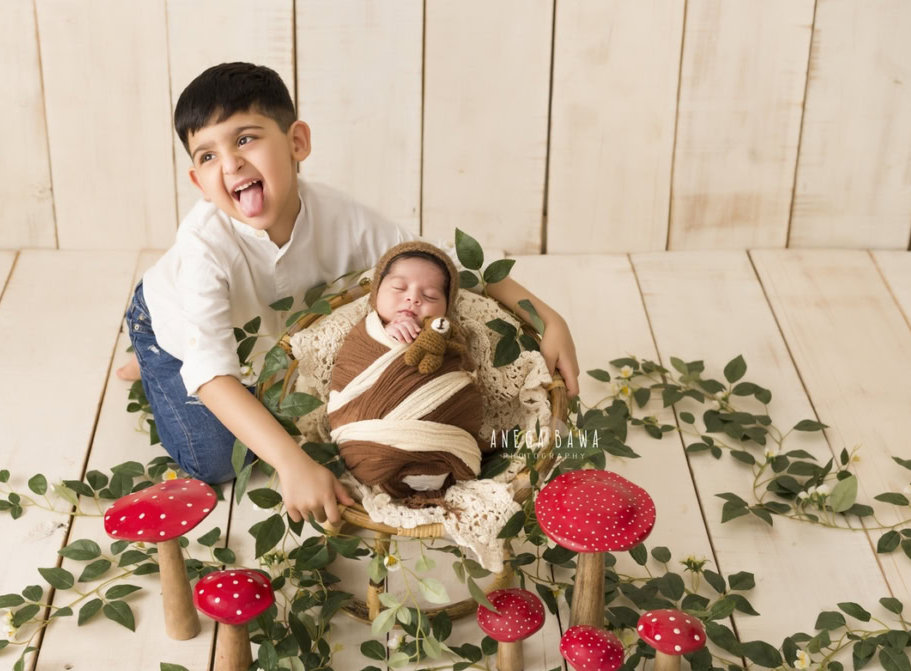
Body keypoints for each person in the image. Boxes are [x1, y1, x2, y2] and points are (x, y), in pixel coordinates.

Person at [118, 62, 581, 526]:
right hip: (167, 318)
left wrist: (547, 318)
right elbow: (215, 376)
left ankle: (191, 359)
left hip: (261, 338)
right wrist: (294, 464)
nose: (230, 163)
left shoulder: (340, 217)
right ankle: (155, 356)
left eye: (244, 139)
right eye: (207, 156)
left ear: (297, 142)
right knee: (220, 459)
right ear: (199, 183)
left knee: (314, 398)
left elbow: (434, 259)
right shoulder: (203, 245)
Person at [327, 241, 482, 502]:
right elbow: (347, 373)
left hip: (443, 439)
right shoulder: (365, 334)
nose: (413, 298)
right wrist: (388, 335)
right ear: (376, 293)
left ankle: (428, 465)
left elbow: (464, 371)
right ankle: (397, 463)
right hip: (365, 441)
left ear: (446, 309)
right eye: (399, 288)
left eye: (430, 296)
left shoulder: (445, 334)